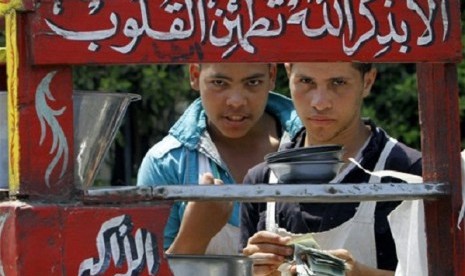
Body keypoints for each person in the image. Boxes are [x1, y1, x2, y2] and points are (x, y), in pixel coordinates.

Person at [240, 62, 422, 276]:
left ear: (368, 81)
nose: (320, 103)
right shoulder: (261, 180)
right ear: (288, 73)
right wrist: (251, 270)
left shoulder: (410, 174)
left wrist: (362, 274)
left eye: (338, 83)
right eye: (306, 81)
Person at [137, 63, 303, 255]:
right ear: (195, 75)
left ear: (272, 76)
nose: (236, 101)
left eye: (253, 82)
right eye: (219, 82)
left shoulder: (315, 149)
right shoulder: (167, 163)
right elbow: (145, 267)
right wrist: (193, 237)